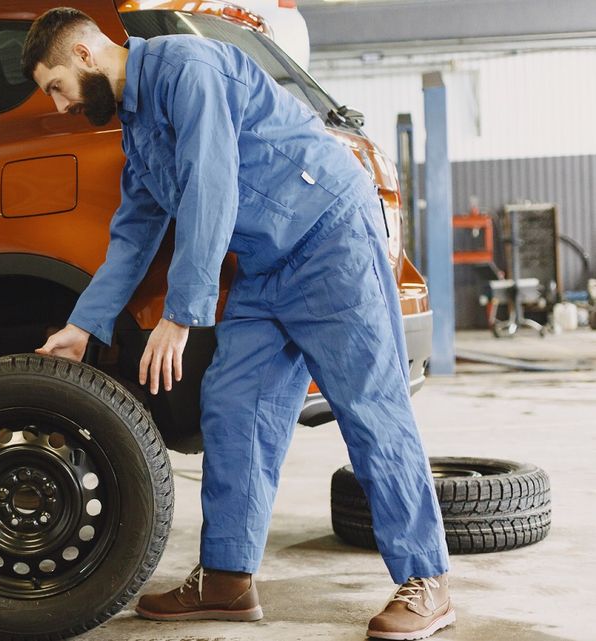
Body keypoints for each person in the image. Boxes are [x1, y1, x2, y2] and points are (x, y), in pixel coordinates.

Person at [23, 7, 455, 640]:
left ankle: (427, 581)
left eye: (55, 85)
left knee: (369, 406)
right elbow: (136, 230)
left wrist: (182, 314)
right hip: (264, 264)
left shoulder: (188, 70)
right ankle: (227, 581)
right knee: (233, 404)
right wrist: (84, 324)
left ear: (86, 55)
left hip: (328, 239)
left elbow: (211, 185)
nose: (59, 104)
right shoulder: (138, 126)